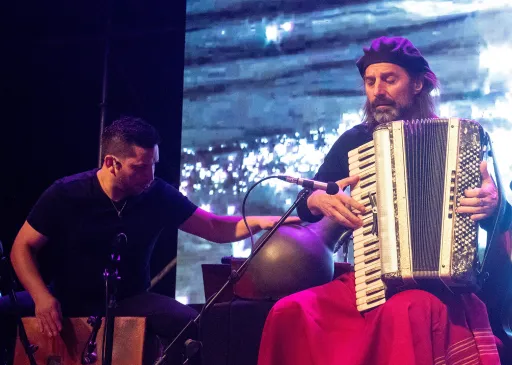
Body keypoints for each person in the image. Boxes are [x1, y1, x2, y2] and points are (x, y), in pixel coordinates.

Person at [257, 37, 512, 365]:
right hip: (369, 280)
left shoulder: (458, 143)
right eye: (370, 81)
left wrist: (492, 206)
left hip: (443, 286)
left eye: (390, 80)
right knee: (288, 311)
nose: (377, 90)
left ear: (417, 84)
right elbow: (308, 200)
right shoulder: (355, 140)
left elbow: (501, 219)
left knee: (407, 311)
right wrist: (320, 199)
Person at [0, 116, 299, 365]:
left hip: (131, 299)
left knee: (191, 324)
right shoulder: (66, 194)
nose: (150, 175)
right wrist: (41, 297)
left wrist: (262, 222)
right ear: (111, 163)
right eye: (140, 167)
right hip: (67, 298)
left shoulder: (156, 194)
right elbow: (21, 248)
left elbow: (212, 227)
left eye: (153, 164)